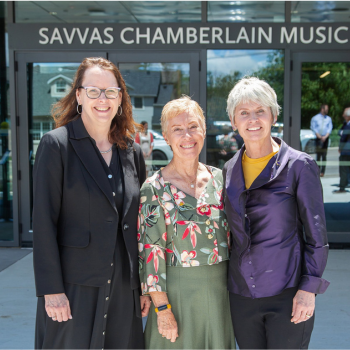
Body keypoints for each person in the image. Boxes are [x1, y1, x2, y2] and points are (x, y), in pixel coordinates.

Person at [33, 57, 151, 349]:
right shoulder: (56, 145)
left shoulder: (132, 151)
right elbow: (44, 222)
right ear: (79, 96)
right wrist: (52, 290)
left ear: (120, 98)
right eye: (93, 90)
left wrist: (145, 286)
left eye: (111, 91)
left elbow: (140, 224)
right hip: (74, 287)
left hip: (125, 286)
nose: (103, 99)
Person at [223, 77, 330, 349]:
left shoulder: (299, 166)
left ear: (273, 115)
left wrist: (309, 289)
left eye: (260, 111)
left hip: (288, 291)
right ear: (234, 121)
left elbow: (316, 236)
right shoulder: (228, 169)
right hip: (241, 293)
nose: (253, 119)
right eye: (244, 113)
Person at [138, 96, 235, 349]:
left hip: (220, 293)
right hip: (177, 296)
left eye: (193, 127)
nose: (187, 135)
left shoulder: (221, 180)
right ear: (166, 137)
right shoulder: (154, 187)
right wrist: (162, 309)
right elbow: (151, 252)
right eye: (177, 129)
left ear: (203, 131)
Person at [310, 104, 333, 176]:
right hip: (318, 138)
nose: (327, 110)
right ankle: (318, 171)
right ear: (322, 109)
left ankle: (323, 172)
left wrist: (325, 136)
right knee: (318, 155)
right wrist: (319, 136)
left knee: (324, 156)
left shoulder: (328, 119)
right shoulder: (315, 118)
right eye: (326, 109)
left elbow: (330, 128)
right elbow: (313, 127)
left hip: (325, 138)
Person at [333, 105, 350, 193]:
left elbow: (344, 137)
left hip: (347, 151)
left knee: (343, 169)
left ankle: (342, 187)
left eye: (344, 114)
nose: (343, 116)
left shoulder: (348, 125)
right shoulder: (345, 124)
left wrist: (340, 148)